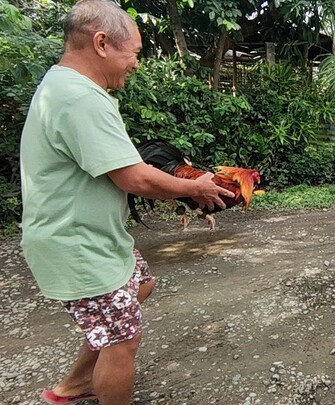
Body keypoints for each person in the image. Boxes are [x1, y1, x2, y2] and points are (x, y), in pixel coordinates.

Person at [19, 1, 234, 404]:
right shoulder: (80, 98)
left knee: (142, 284)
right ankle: (80, 386)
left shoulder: (65, 86)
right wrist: (195, 187)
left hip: (95, 238)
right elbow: (134, 177)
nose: (135, 64)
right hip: (78, 243)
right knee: (125, 339)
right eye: (133, 53)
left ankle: (74, 384)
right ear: (101, 43)